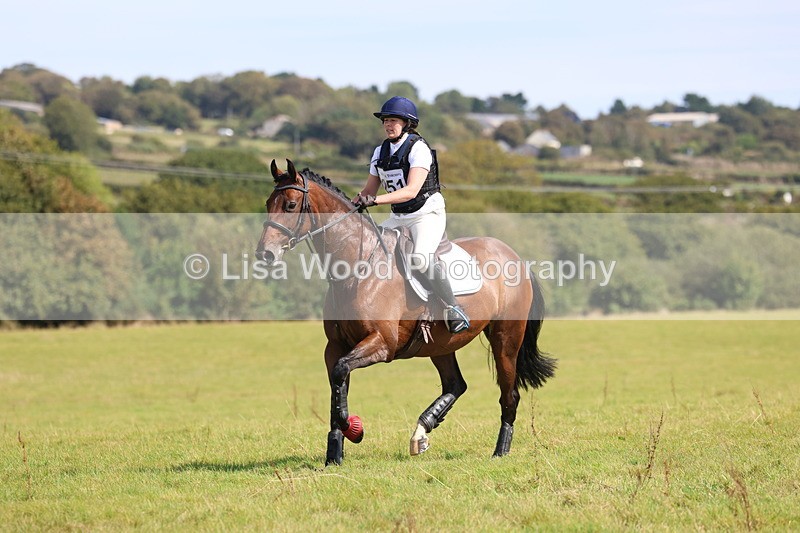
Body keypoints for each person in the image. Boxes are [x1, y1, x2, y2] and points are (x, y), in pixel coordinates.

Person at [353, 96, 470, 333]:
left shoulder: (418, 148)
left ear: (407, 123)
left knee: (421, 257)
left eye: (393, 120)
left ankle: (453, 308)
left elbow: (410, 191)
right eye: (385, 120)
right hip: (399, 216)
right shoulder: (380, 151)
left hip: (426, 213)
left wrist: (375, 201)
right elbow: (369, 190)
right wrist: (352, 203)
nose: (388, 125)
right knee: (371, 251)